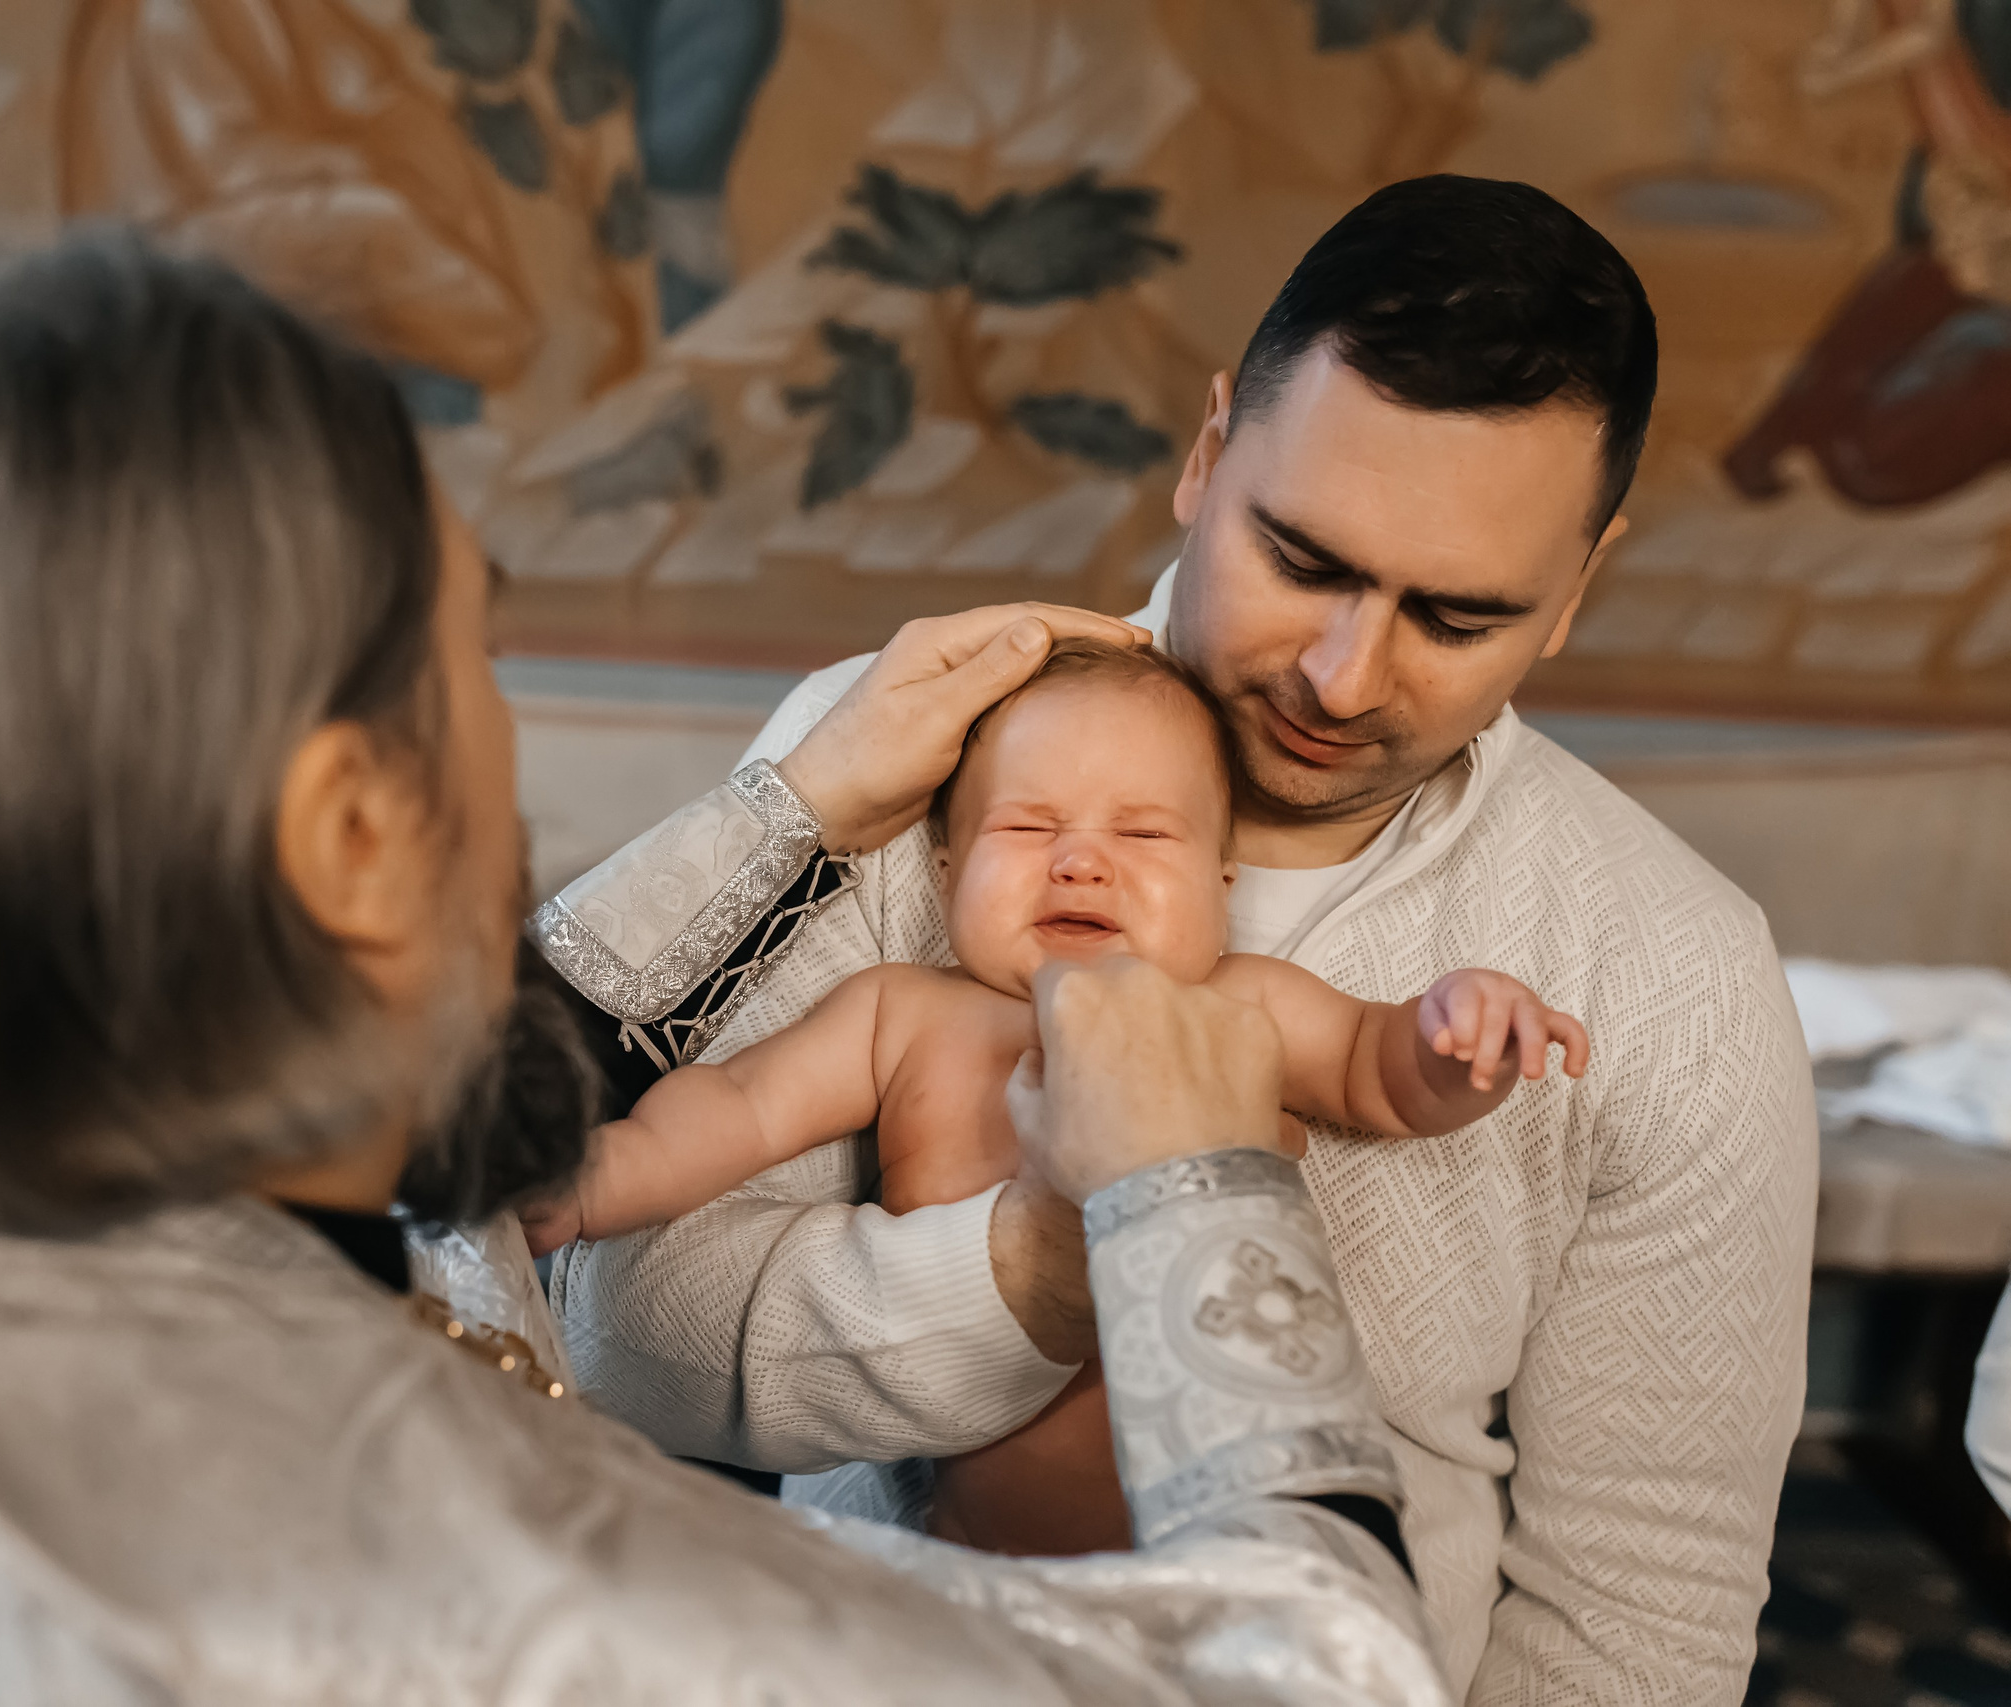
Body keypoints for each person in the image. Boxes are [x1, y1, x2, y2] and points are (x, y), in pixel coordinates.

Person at [0, 230, 1451, 1701]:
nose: (500, 738)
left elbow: (486, 1129)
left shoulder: (6, 1292)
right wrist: (1188, 1188)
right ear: (351, 831)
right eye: (471, 658)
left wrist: (800, 802)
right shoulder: (564, 1622)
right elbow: (1322, 1675)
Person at [537, 174, 1819, 1702]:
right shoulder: (891, 768)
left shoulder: (1678, 969)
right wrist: (1031, 1271)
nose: (1345, 677)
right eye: (1306, 560)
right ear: (1208, 455)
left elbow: (1642, 1597)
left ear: (1575, 592)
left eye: (1455, 617)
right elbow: (628, 1343)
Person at [526, 639, 1588, 1557]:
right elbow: (739, 1109)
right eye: (1030, 831)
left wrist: (1456, 1037)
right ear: (946, 877)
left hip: (1231, 1547)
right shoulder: (902, 1014)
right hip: (972, 1558)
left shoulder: (1232, 1004)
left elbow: (1375, 1066)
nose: (1082, 863)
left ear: (1223, 884)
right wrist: (596, 1180)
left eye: (1143, 836)